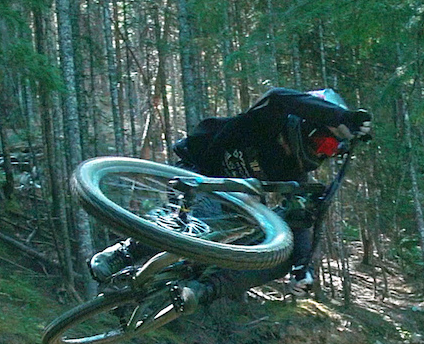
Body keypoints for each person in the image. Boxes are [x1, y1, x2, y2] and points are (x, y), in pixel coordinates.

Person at [89, 87, 372, 310]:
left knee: (281, 251)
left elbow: (301, 223)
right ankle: (123, 253)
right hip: (197, 172)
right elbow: (277, 98)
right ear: (311, 123)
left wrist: (302, 268)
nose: (323, 153)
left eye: (331, 151)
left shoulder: (294, 174)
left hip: (230, 203)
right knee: (201, 217)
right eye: (325, 143)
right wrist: (340, 117)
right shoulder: (267, 121)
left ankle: (204, 290)